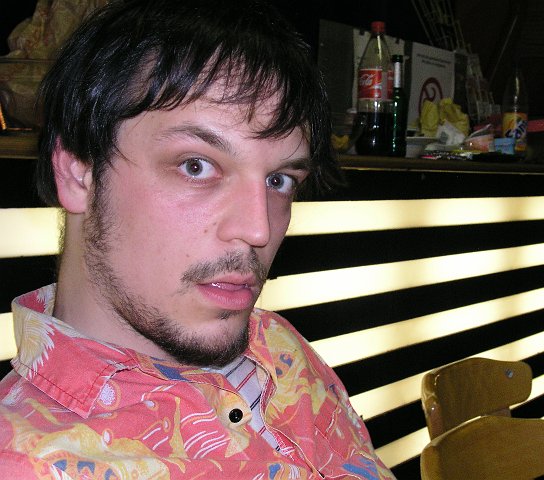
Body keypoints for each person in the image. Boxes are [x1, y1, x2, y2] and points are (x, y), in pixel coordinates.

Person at [0, 0, 396, 478]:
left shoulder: (275, 343)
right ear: (78, 173)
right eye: (196, 166)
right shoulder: (30, 463)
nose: (258, 230)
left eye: (279, 181)